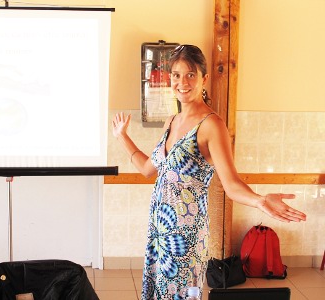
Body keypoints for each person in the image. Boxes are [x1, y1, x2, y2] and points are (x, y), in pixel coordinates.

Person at [111, 44, 306, 300]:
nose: (183, 82)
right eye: (177, 75)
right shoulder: (172, 121)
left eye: (191, 74)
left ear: (204, 78)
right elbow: (148, 169)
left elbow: (232, 184)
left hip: (186, 236)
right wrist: (122, 137)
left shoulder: (211, 125)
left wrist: (261, 201)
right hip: (160, 229)